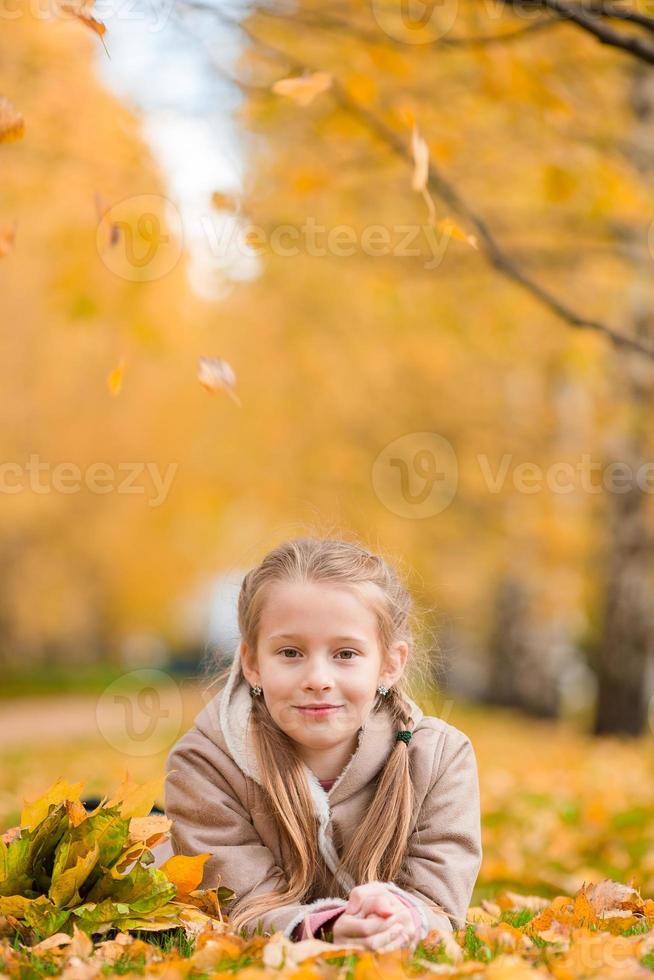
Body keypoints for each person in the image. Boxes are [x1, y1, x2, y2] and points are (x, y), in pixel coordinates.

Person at [165, 537, 482, 951]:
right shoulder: (204, 765)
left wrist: (401, 919)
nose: (318, 678)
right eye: (291, 652)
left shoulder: (441, 759)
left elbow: (439, 902)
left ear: (389, 664)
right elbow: (239, 906)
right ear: (252, 663)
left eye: (346, 653)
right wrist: (327, 925)